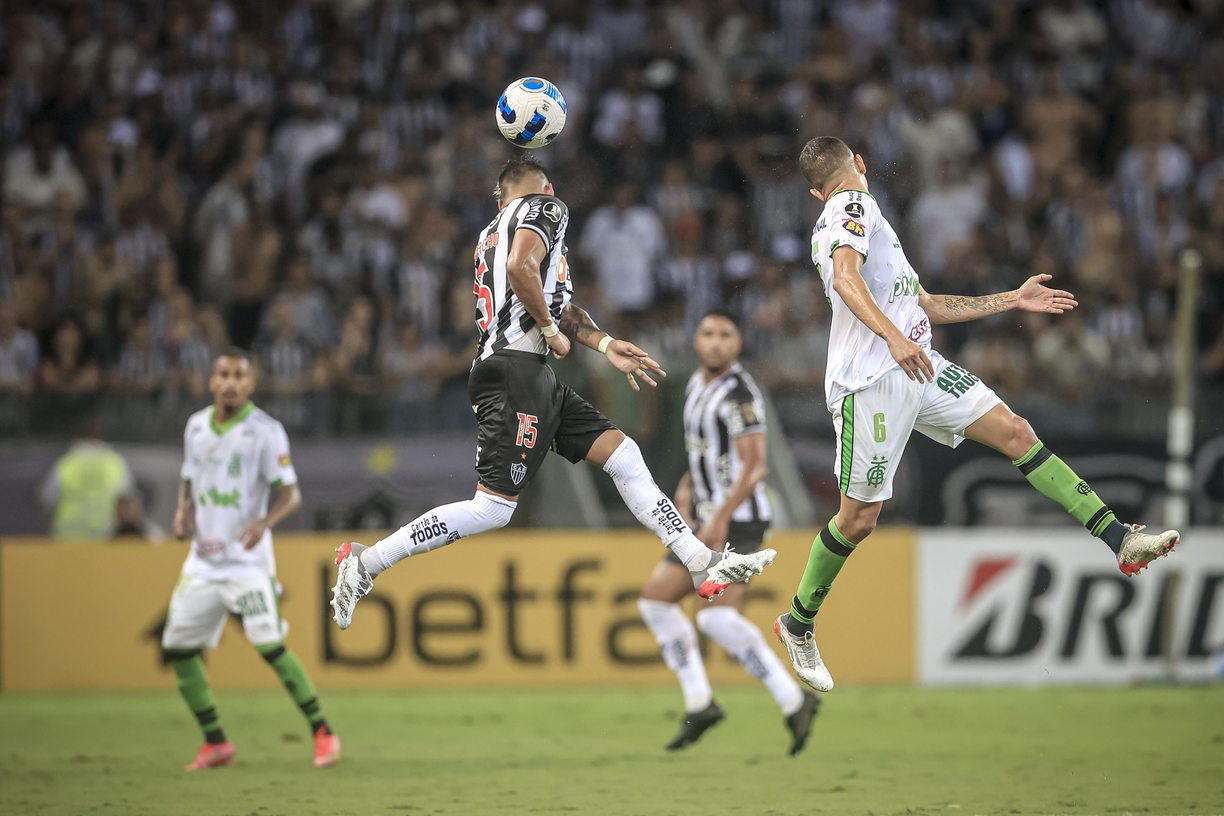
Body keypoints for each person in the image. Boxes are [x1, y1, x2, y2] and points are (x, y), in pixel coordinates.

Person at [774, 137, 1180, 693]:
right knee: (859, 519)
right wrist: (893, 338)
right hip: (870, 382)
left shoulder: (871, 220)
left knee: (1015, 433)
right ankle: (797, 622)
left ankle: (1118, 538)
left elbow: (927, 305)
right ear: (857, 168)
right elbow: (845, 281)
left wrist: (1011, 299)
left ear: (812, 188)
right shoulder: (849, 208)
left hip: (919, 366)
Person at [330, 155, 776, 629]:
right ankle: (368, 561)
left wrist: (603, 343)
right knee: (493, 508)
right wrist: (550, 328)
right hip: (515, 372)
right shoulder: (545, 209)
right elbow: (526, 273)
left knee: (623, 456)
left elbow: (552, 303)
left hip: (523, 371)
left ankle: (699, 559)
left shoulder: (489, 233)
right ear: (542, 187)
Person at [638, 310, 819, 755]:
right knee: (656, 602)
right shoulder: (697, 385)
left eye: (725, 335)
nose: (715, 342)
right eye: (707, 334)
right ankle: (703, 702)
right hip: (704, 519)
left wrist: (719, 517)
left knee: (717, 617)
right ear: (696, 341)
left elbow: (755, 466)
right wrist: (686, 490)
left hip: (737, 521)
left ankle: (793, 699)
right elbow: (701, 454)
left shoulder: (740, 394)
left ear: (738, 343)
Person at [162, 348, 340, 771]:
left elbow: (292, 495)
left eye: (238, 376)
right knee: (178, 649)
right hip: (203, 563)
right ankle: (215, 742)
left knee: (270, 646)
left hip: (247, 563)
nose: (229, 382)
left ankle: (323, 732)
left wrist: (265, 522)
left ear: (250, 384)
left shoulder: (266, 431)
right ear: (211, 381)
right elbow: (188, 478)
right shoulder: (195, 427)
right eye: (222, 374)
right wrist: (182, 510)